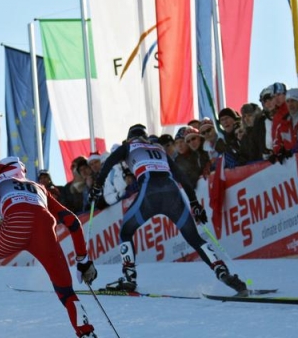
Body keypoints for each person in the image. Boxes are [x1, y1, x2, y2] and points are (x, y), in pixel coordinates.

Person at [0, 156, 117, 338]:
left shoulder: (0, 181)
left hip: (16, 226)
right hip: (45, 232)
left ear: (1, 170)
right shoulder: (39, 188)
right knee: (66, 292)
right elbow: (73, 222)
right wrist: (83, 261)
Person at [89, 124, 247, 295]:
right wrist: (195, 204)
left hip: (150, 192)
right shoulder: (159, 149)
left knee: (126, 232)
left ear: (129, 138)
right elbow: (182, 177)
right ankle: (222, 271)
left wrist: (97, 188)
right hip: (172, 193)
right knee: (195, 238)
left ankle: (130, 278)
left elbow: (109, 163)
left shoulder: (128, 147)